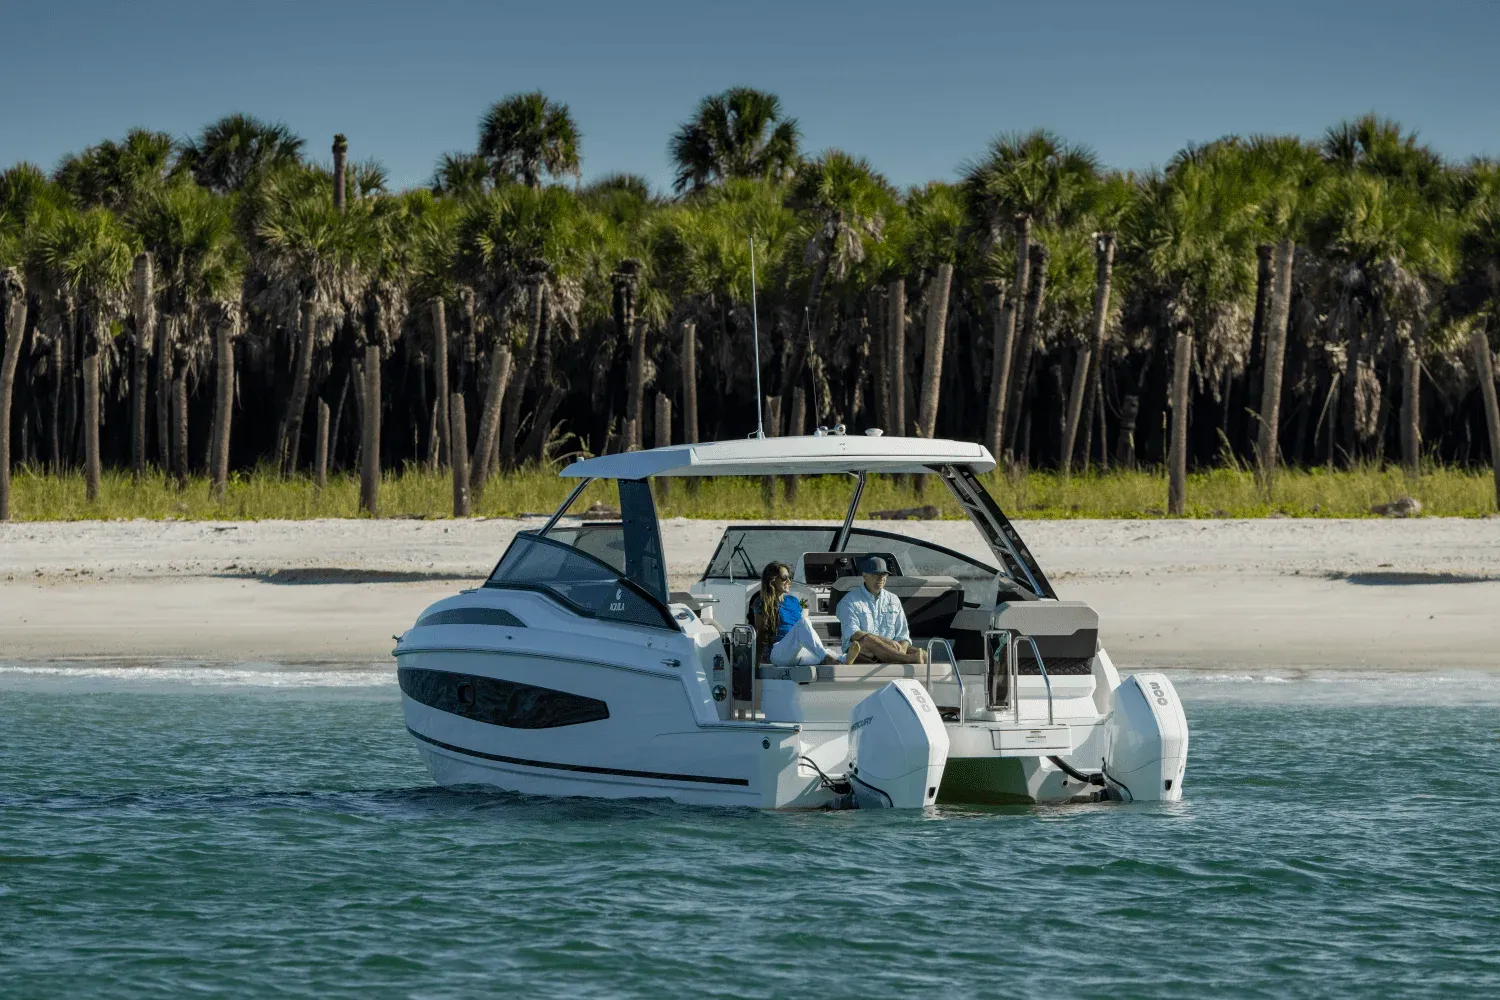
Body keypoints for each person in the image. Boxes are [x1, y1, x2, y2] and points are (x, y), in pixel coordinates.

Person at [751, 561, 859, 667]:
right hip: (778, 653)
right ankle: (829, 659)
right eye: (784, 577)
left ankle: (844, 659)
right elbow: (759, 634)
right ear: (772, 580)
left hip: (797, 652)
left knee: (824, 651)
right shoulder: (761, 603)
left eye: (790, 577)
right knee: (804, 622)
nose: (789, 581)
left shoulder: (793, 601)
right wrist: (756, 664)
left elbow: (802, 632)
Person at [835, 556, 925, 664]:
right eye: (875, 575)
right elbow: (854, 634)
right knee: (868, 639)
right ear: (864, 576)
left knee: (924, 655)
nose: (881, 578)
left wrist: (901, 648)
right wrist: (887, 643)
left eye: (884, 575)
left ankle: (899, 658)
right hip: (862, 651)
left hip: (890, 650)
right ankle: (905, 659)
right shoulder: (849, 600)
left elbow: (903, 634)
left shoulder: (893, 599)